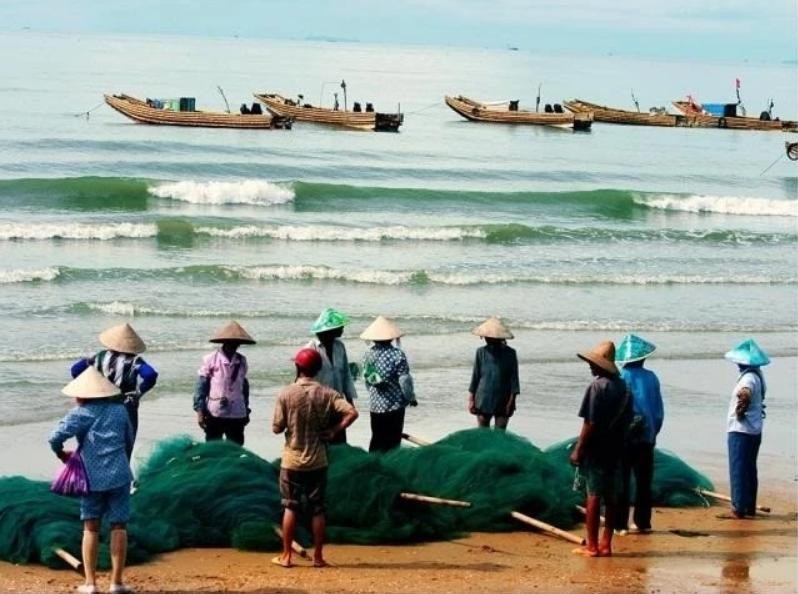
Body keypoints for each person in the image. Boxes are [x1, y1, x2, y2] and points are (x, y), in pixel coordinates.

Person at [49, 367, 134, 594]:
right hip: (120, 474)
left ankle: (90, 584)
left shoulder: (81, 414)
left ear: (82, 394)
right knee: (119, 525)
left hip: (91, 477)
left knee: (91, 526)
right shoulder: (120, 411)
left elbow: (54, 437)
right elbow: (129, 440)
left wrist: (61, 454)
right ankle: (117, 583)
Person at [272, 347, 358, 568]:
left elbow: (276, 427)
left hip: (292, 461)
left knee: (290, 507)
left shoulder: (286, 393)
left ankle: (286, 556)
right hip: (318, 460)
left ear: (297, 367)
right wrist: (334, 430)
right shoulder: (328, 394)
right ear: (318, 369)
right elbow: (352, 412)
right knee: (317, 509)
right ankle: (318, 557)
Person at [570, 340, 631, 558]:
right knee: (611, 497)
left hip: (597, 449)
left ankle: (592, 546)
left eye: (592, 363)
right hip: (617, 448)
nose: (590, 366)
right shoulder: (624, 388)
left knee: (593, 495)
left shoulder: (597, 387)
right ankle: (606, 544)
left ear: (601, 365)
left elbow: (590, 423)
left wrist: (579, 449)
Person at [70, 323, 158, 441]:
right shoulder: (135, 361)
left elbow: (75, 370)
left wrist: (89, 389)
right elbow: (150, 375)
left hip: (99, 402)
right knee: (125, 440)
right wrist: (138, 393)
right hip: (125, 404)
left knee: (98, 438)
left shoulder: (99, 357)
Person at [614, 334, 664, 534]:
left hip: (624, 437)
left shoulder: (620, 377)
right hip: (646, 436)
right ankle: (643, 522)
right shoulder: (652, 377)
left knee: (622, 481)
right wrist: (653, 432)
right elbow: (658, 411)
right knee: (644, 481)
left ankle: (620, 524)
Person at [723, 338, 769, 519]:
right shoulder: (758, 375)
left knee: (738, 469)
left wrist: (740, 411)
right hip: (754, 429)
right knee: (749, 469)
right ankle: (749, 506)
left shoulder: (748, 378)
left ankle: (738, 508)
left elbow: (745, 393)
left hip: (740, 429)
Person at [193, 321, 255, 446]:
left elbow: (244, 386)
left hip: (237, 412)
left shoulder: (242, 360)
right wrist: (200, 411)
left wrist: (246, 410)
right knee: (213, 446)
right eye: (231, 342)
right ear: (224, 342)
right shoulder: (211, 359)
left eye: (237, 343)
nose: (234, 345)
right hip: (215, 412)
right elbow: (201, 386)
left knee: (236, 447)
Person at [360, 316, 417, 452]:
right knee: (393, 441)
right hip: (394, 405)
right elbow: (404, 381)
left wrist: (374, 395)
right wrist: (411, 397)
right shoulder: (397, 355)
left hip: (375, 406)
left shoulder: (367, 355)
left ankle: (373, 462)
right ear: (391, 338)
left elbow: (367, 380)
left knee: (377, 438)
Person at [306, 307, 358, 444]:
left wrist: (350, 402)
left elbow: (346, 375)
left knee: (339, 441)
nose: (342, 329)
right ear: (329, 330)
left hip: (338, 403)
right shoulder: (311, 349)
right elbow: (304, 380)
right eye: (339, 327)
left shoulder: (339, 347)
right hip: (318, 405)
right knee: (320, 442)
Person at [467, 316, 519, 429]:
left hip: (503, 399)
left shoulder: (510, 353)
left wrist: (512, 401)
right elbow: (475, 377)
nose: (486, 339)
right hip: (483, 398)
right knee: (483, 432)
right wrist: (471, 399)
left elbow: (514, 380)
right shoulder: (481, 352)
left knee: (500, 432)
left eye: (489, 337)